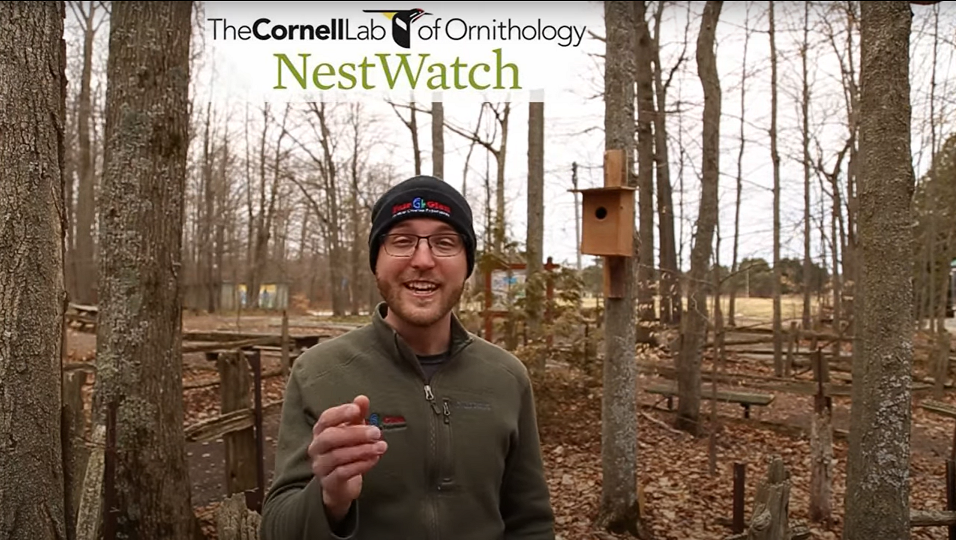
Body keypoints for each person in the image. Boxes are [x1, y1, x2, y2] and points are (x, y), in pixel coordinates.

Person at [260, 175, 555, 540]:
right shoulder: (318, 373)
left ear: (466, 265)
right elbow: (275, 529)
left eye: (445, 243)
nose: (423, 260)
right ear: (376, 262)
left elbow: (531, 524)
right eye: (401, 241)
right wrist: (329, 498)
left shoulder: (506, 378)